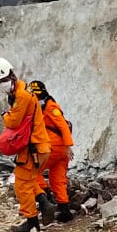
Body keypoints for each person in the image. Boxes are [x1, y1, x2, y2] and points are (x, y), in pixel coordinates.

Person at [0, 58, 50, 232]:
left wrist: (4, 115)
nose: (2, 85)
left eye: (2, 81)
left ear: (11, 76)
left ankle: (32, 223)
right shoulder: (22, 88)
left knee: (21, 185)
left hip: (33, 148)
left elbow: (13, 122)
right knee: (28, 180)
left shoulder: (21, 95)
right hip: (38, 146)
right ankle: (45, 204)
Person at [27, 80, 75, 223]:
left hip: (53, 148)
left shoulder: (51, 108)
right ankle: (65, 211)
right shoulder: (45, 107)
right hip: (60, 152)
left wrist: (68, 146)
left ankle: (45, 198)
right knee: (57, 180)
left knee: (33, 171)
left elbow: (63, 127)